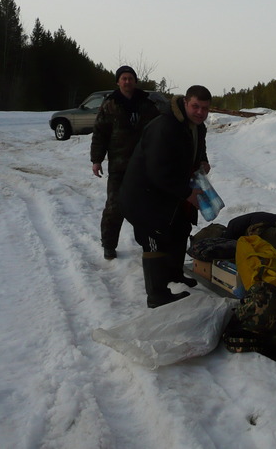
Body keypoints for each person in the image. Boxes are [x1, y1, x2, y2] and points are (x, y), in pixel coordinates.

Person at [119, 85, 212, 308]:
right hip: (143, 195)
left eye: (205, 108)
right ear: (185, 103)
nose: (200, 112)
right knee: (154, 240)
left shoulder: (197, 128)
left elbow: (197, 148)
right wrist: (187, 193)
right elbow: (157, 170)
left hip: (168, 193)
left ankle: (174, 275)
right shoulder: (165, 126)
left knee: (180, 229)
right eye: (195, 106)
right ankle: (157, 295)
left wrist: (202, 160)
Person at [90, 66, 160, 260]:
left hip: (143, 167)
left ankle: (150, 245)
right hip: (119, 167)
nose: (127, 81)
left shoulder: (147, 104)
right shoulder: (110, 104)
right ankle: (109, 245)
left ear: (135, 81)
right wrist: (96, 160)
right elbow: (100, 134)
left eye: (130, 78)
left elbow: (159, 131)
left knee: (146, 208)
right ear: (118, 82)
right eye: (123, 78)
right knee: (114, 207)